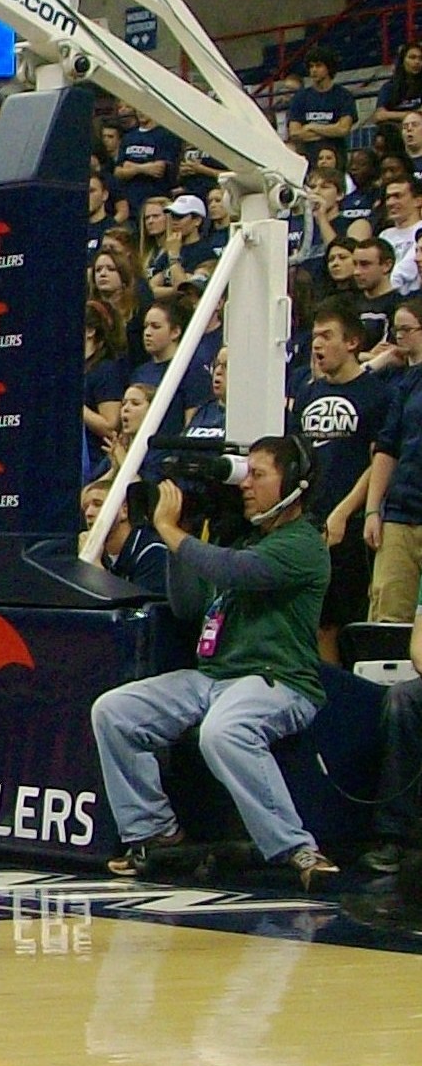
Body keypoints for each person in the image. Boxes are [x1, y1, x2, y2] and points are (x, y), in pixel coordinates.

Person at [93, 437, 339, 887]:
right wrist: (184, 529)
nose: (246, 485)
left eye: (258, 475)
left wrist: (171, 531)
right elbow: (188, 606)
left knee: (224, 731)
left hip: (279, 680)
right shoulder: (236, 538)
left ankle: (297, 848)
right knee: (115, 711)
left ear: (294, 485)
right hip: (214, 678)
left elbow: (235, 572)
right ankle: (155, 833)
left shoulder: (303, 543)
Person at [302, 299, 396, 665]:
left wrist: (343, 512)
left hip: (350, 524)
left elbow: (379, 461)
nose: (317, 345)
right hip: (310, 521)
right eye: (314, 337)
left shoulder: (376, 395)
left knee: (333, 625)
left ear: (353, 342)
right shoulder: (309, 393)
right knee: (308, 622)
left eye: (327, 336)